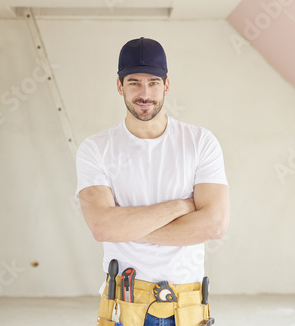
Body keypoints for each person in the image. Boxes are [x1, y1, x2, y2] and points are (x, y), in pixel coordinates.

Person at [75, 37, 230, 326]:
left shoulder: (200, 142)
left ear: (166, 85)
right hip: (125, 307)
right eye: (134, 82)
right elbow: (102, 227)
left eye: (154, 82)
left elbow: (215, 225)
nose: (144, 93)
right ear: (119, 85)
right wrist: (180, 207)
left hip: (188, 309)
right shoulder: (96, 149)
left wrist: (125, 228)